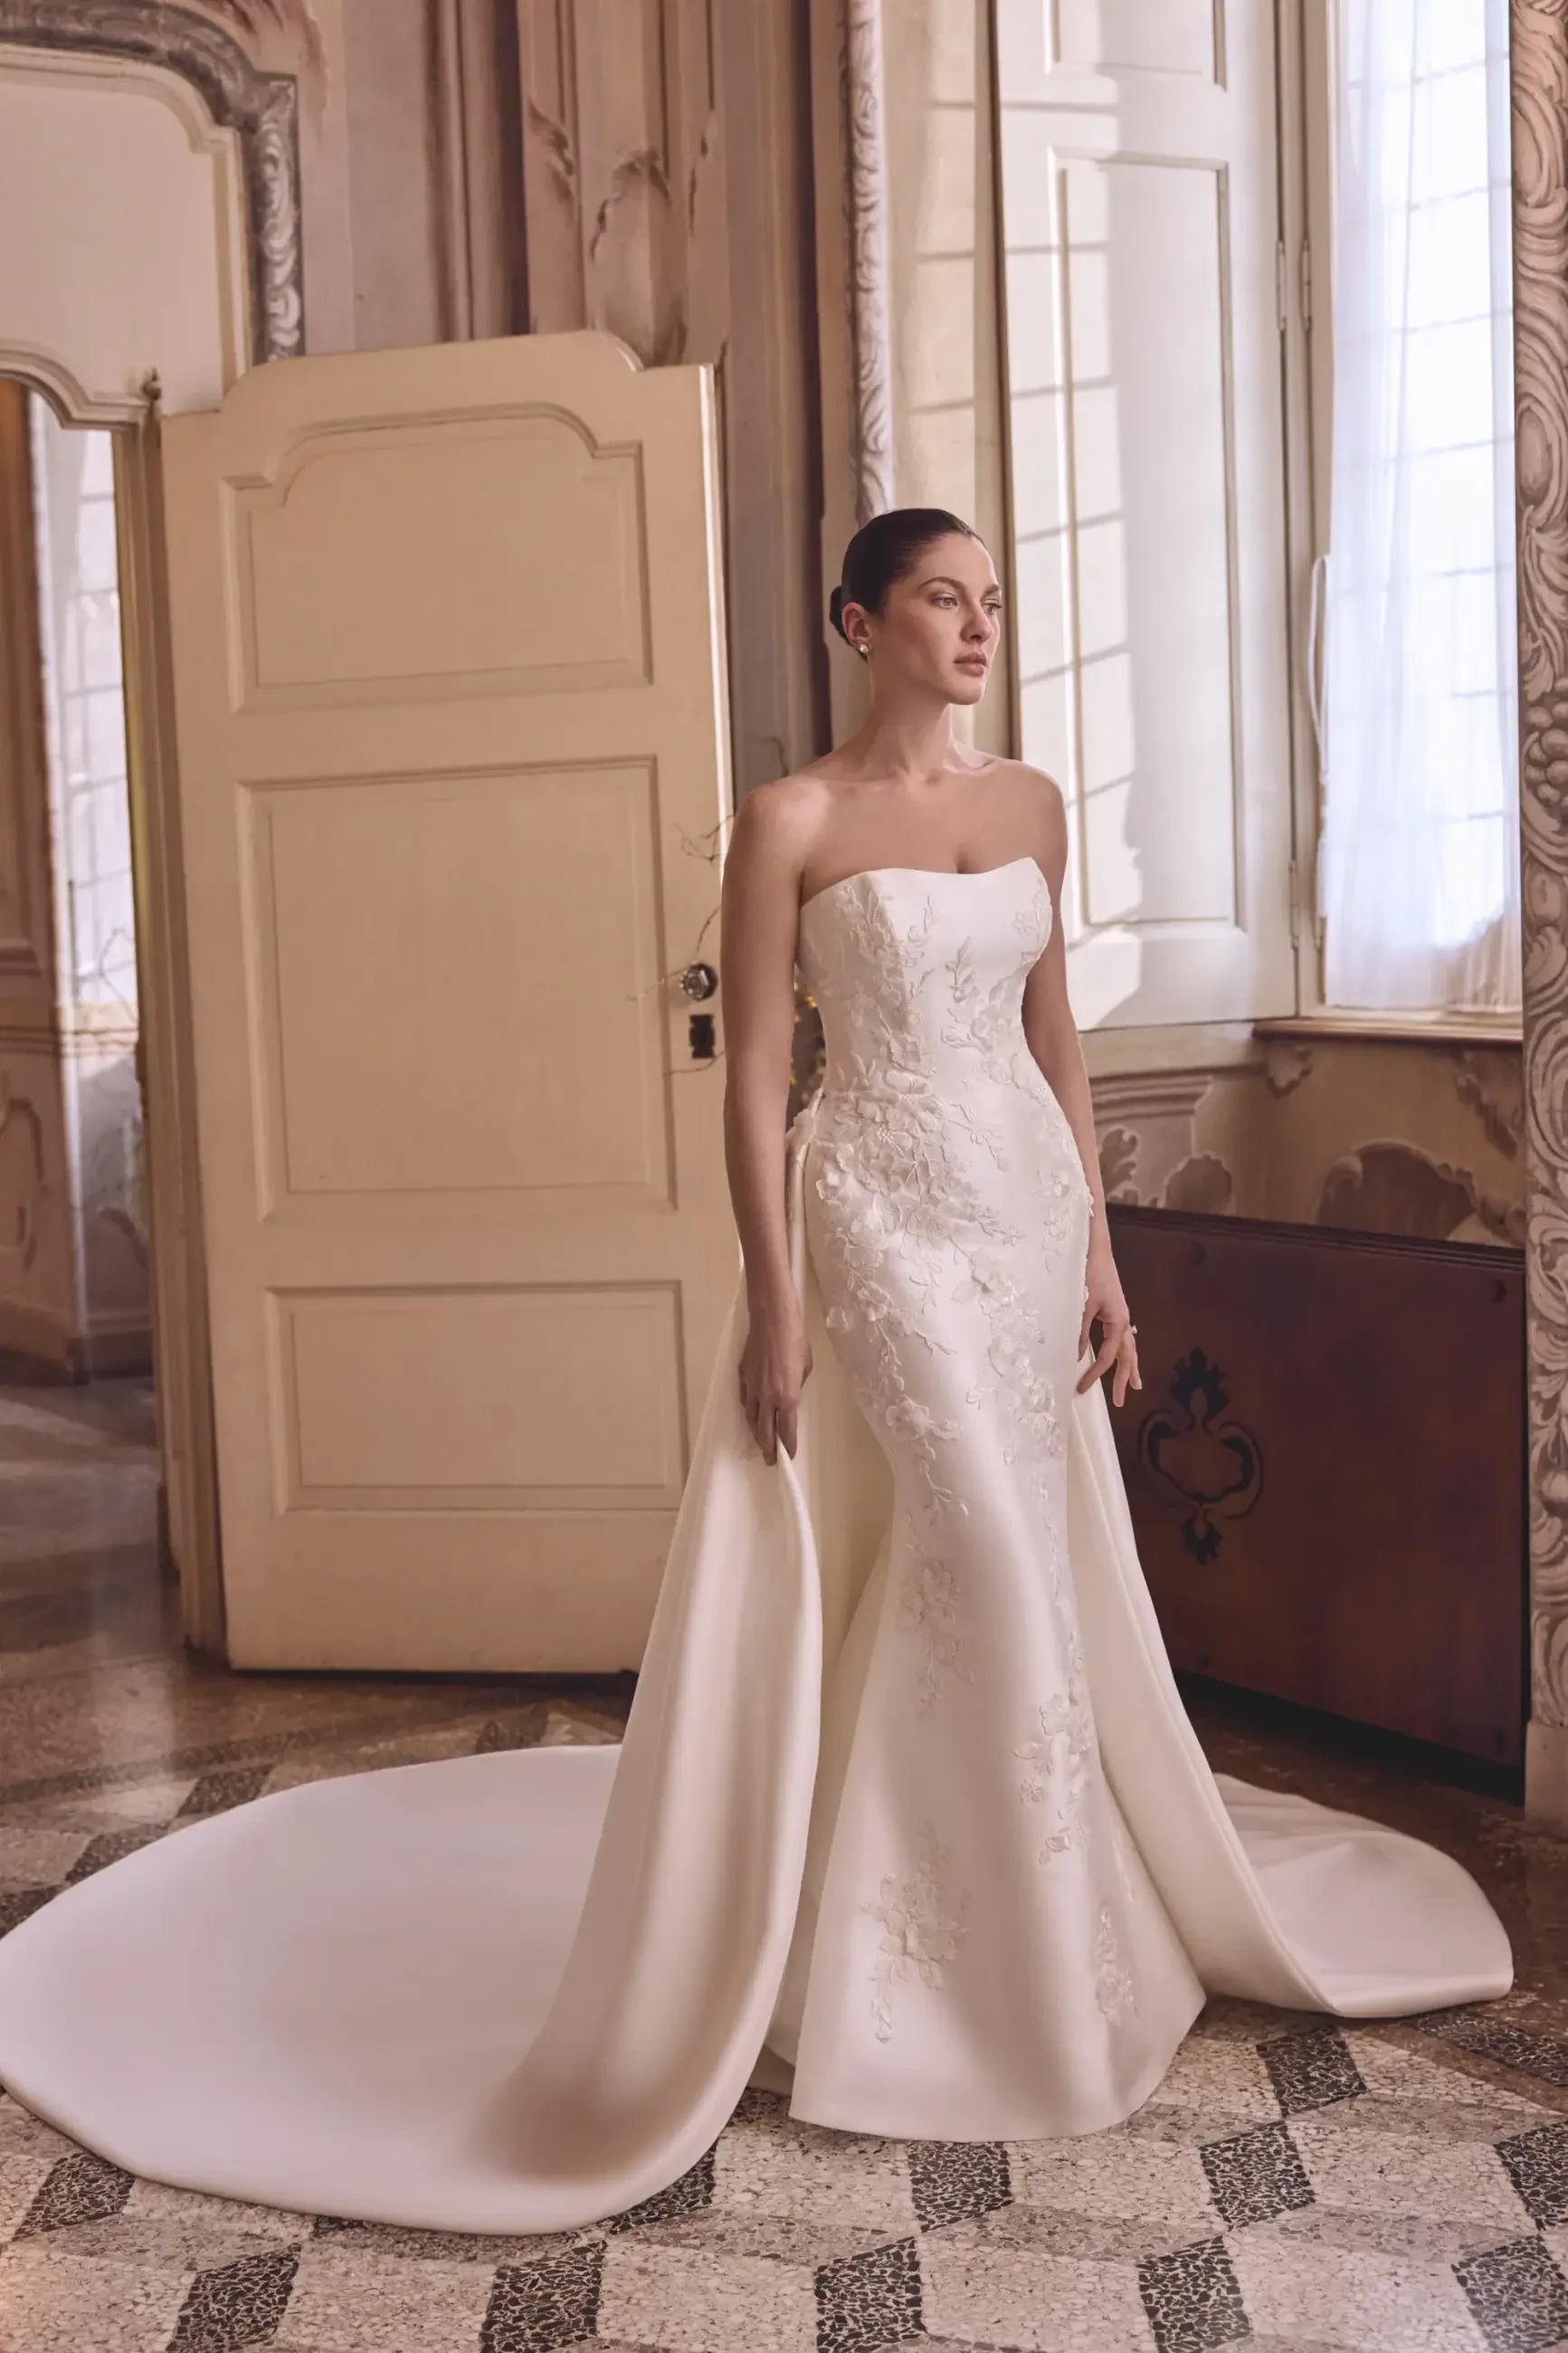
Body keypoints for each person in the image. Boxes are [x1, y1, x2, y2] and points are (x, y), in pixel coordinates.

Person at [0, 510, 1510, 2236]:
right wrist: (774, 1297)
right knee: (983, 1563)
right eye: (944, 598)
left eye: (993, 599)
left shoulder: (1029, 809)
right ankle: (955, 1989)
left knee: (994, 1570)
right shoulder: (786, 819)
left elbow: (1055, 1044)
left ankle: (1008, 1935)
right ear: (860, 620)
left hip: (1020, 1219)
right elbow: (751, 1074)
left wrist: (1102, 1254)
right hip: (873, 1211)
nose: (978, 625)